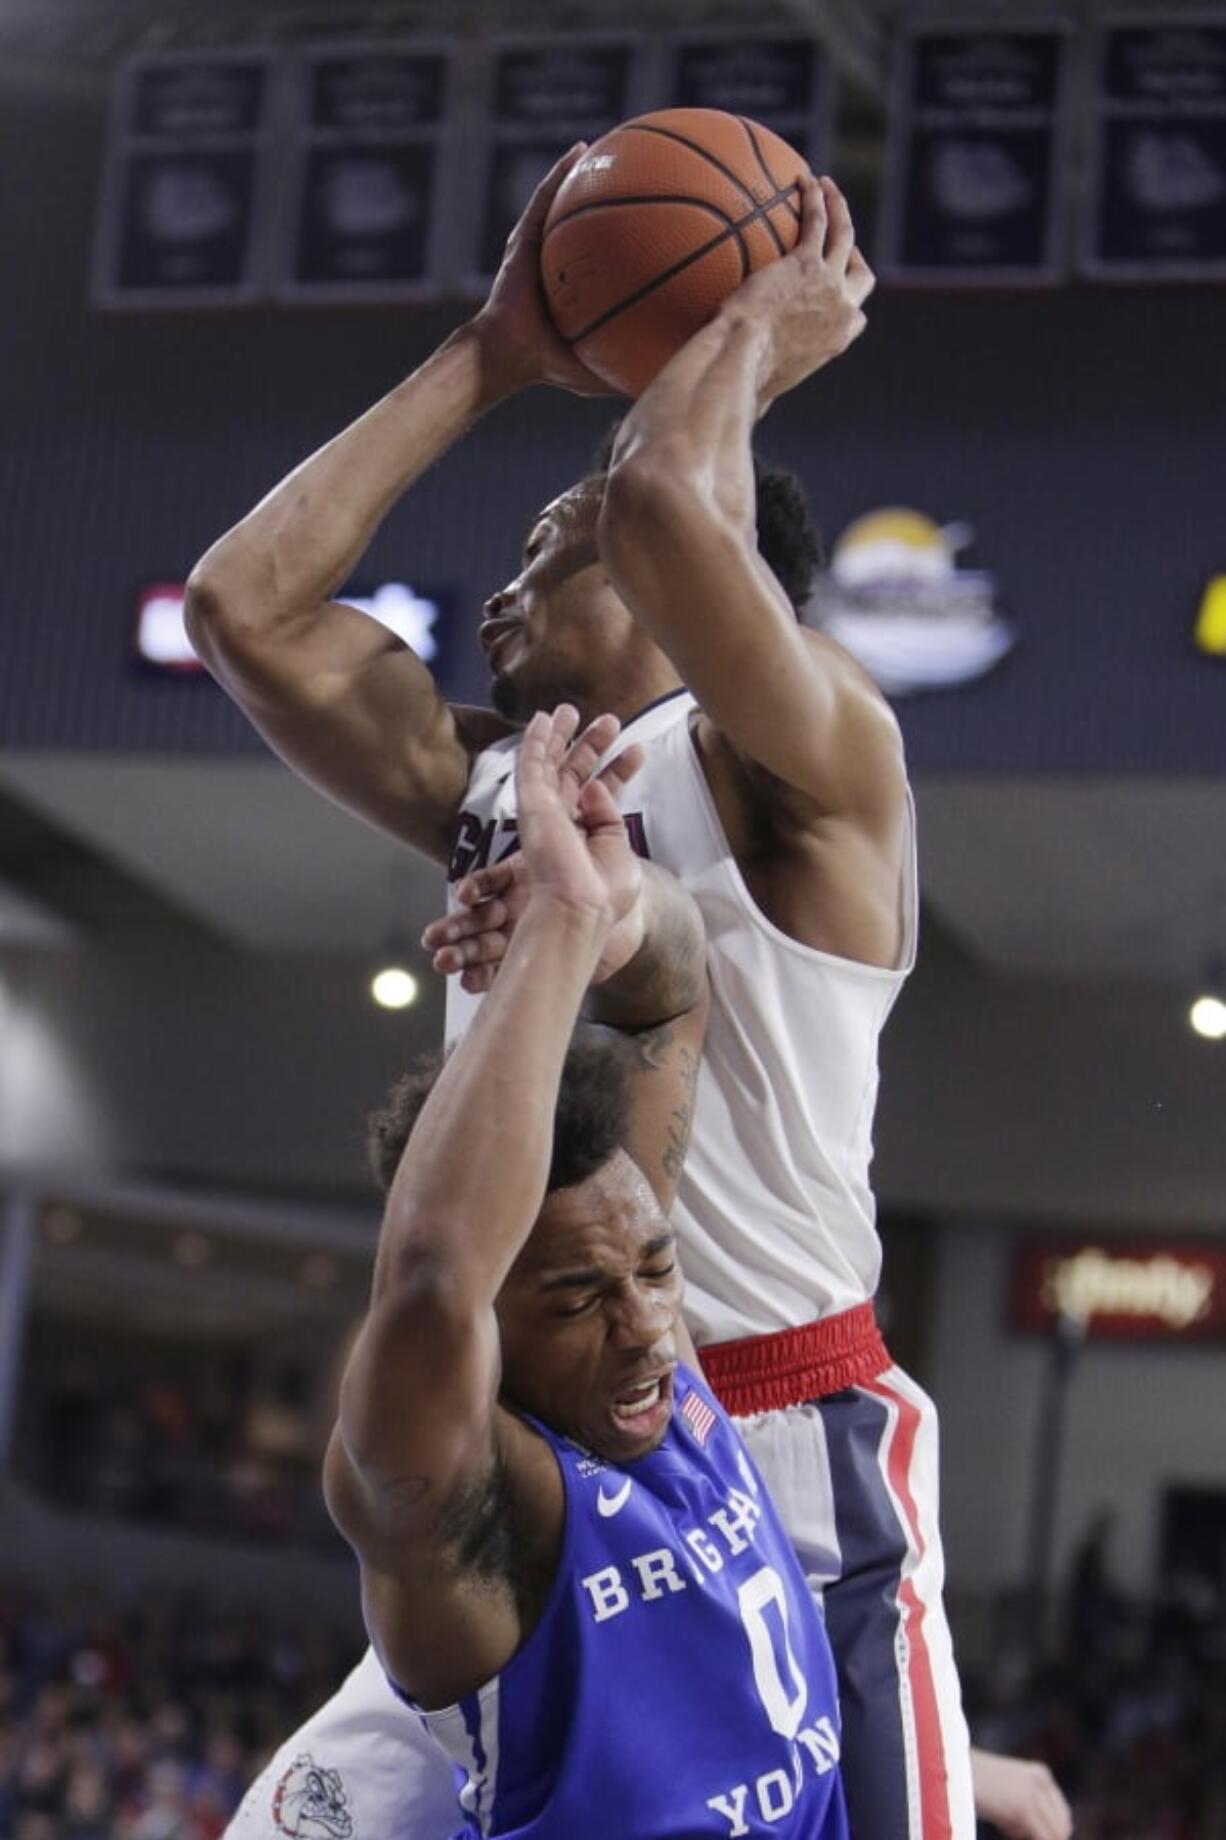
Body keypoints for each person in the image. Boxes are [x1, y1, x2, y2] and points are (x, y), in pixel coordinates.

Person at [190, 153, 1066, 1840]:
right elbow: (247, 606)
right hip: (544, 1448)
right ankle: (986, 1776)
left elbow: (668, 495)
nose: (510, 573)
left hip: (777, 1429)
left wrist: (758, 316)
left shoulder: (812, 757)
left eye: (553, 537)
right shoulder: (495, 781)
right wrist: (491, 348)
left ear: (699, 588)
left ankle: (966, 1772)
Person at [325, 701, 849, 1838]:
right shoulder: (468, 1505)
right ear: (488, 1340)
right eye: (574, 1298)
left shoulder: (637, 1330)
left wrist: (617, 912)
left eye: (657, 1272)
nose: (647, 1325)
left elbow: (672, 983)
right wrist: (557, 919)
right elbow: (429, 1274)